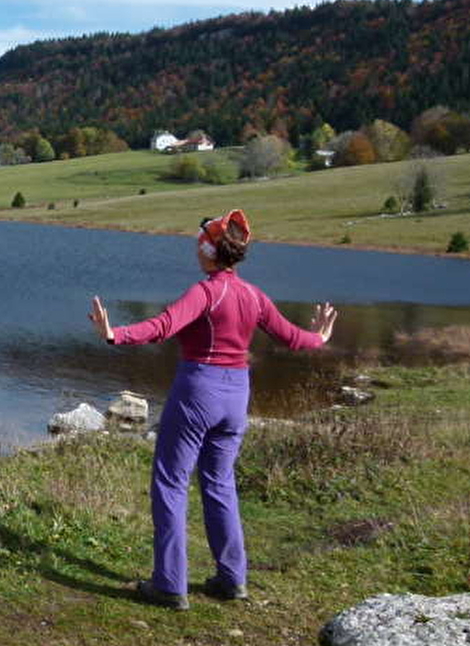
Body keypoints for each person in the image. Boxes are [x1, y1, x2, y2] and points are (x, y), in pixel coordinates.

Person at [88, 210, 337, 610]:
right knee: (220, 484)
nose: (195, 246)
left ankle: (170, 585)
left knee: (170, 482)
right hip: (236, 396)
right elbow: (293, 337)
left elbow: (164, 325)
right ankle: (232, 579)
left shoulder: (205, 292)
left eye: (198, 240)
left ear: (208, 249)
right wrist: (320, 336)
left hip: (198, 390)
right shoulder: (253, 296)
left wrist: (116, 334)